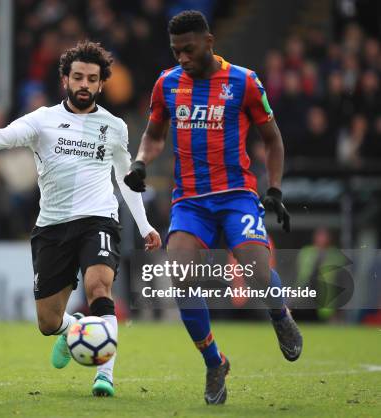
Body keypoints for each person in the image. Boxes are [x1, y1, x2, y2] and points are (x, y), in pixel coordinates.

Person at [123, 11, 303, 405]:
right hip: (189, 200)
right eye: (175, 51)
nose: (182, 58)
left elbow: (272, 139)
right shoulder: (167, 84)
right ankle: (213, 361)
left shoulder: (244, 81)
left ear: (208, 41)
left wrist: (275, 188)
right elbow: (154, 135)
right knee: (181, 275)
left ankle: (279, 315)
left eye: (188, 49)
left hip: (236, 193)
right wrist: (140, 162)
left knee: (256, 271)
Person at [0, 41, 162, 397]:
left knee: (99, 288)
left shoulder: (114, 126)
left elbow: (125, 179)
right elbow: (2, 138)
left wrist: (146, 225)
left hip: (99, 219)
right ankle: (75, 330)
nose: (84, 84)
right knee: (48, 322)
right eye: (78, 77)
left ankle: (105, 375)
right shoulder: (43, 120)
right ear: (65, 80)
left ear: (102, 83)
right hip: (53, 226)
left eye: (92, 78)